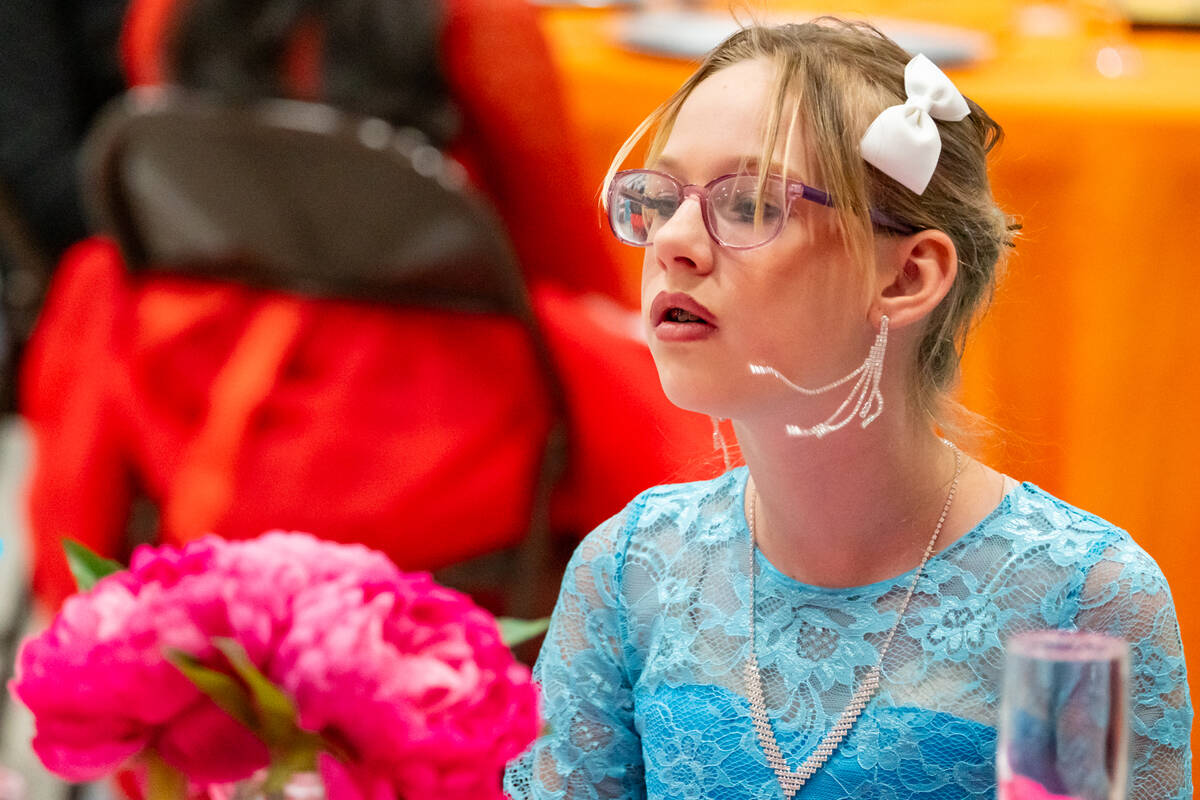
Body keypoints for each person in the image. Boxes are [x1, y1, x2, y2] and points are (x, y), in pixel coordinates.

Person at [504, 19, 1192, 800]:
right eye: (659, 200)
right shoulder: (631, 571)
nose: (672, 243)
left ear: (906, 277)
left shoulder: (1078, 601)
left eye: (750, 204)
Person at [22, 0, 715, 611]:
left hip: (192, 393)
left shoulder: (168, 13)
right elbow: (565, 249)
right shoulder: (476, 21)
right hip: (427, 434)